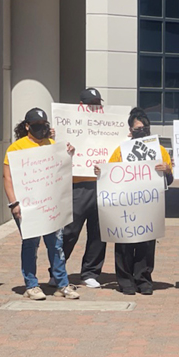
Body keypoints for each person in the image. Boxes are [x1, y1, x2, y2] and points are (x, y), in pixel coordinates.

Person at [3, 108, 80, 301]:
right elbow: (8, 177)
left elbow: (61, 171)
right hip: (27, 206)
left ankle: (62, 284)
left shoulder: (52, 144)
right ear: (27, 126)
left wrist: (69, 153)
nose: (41, 129)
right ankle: (31, 285)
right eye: (36, 125)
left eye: (43, 125)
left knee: (56, 245)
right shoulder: (16, 148)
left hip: (50, 205)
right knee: (30, 245)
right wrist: (14, 203)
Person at [99, 108, 173, 295]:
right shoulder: (121, 151)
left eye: (145, 127)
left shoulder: (160, 150)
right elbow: (111, 176)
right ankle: (125, 281)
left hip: (149, 206)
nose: (142, 131)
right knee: (124, 244)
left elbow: (169, 181)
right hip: (125, 205)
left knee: (146, 245)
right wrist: (101, 173)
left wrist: (166, 170)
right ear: (130, 130)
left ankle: (144, 279)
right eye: (137, 128)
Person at [62, 88, 107, 289]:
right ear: (81, 105)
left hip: (102, 184)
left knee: (99, 233)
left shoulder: (109, 124)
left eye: (98, 103)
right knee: (70, 231)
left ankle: (90, 272)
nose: (95, 107)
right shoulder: (67, 124)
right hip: (77, 186)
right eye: (91, 104)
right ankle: (58, 271)